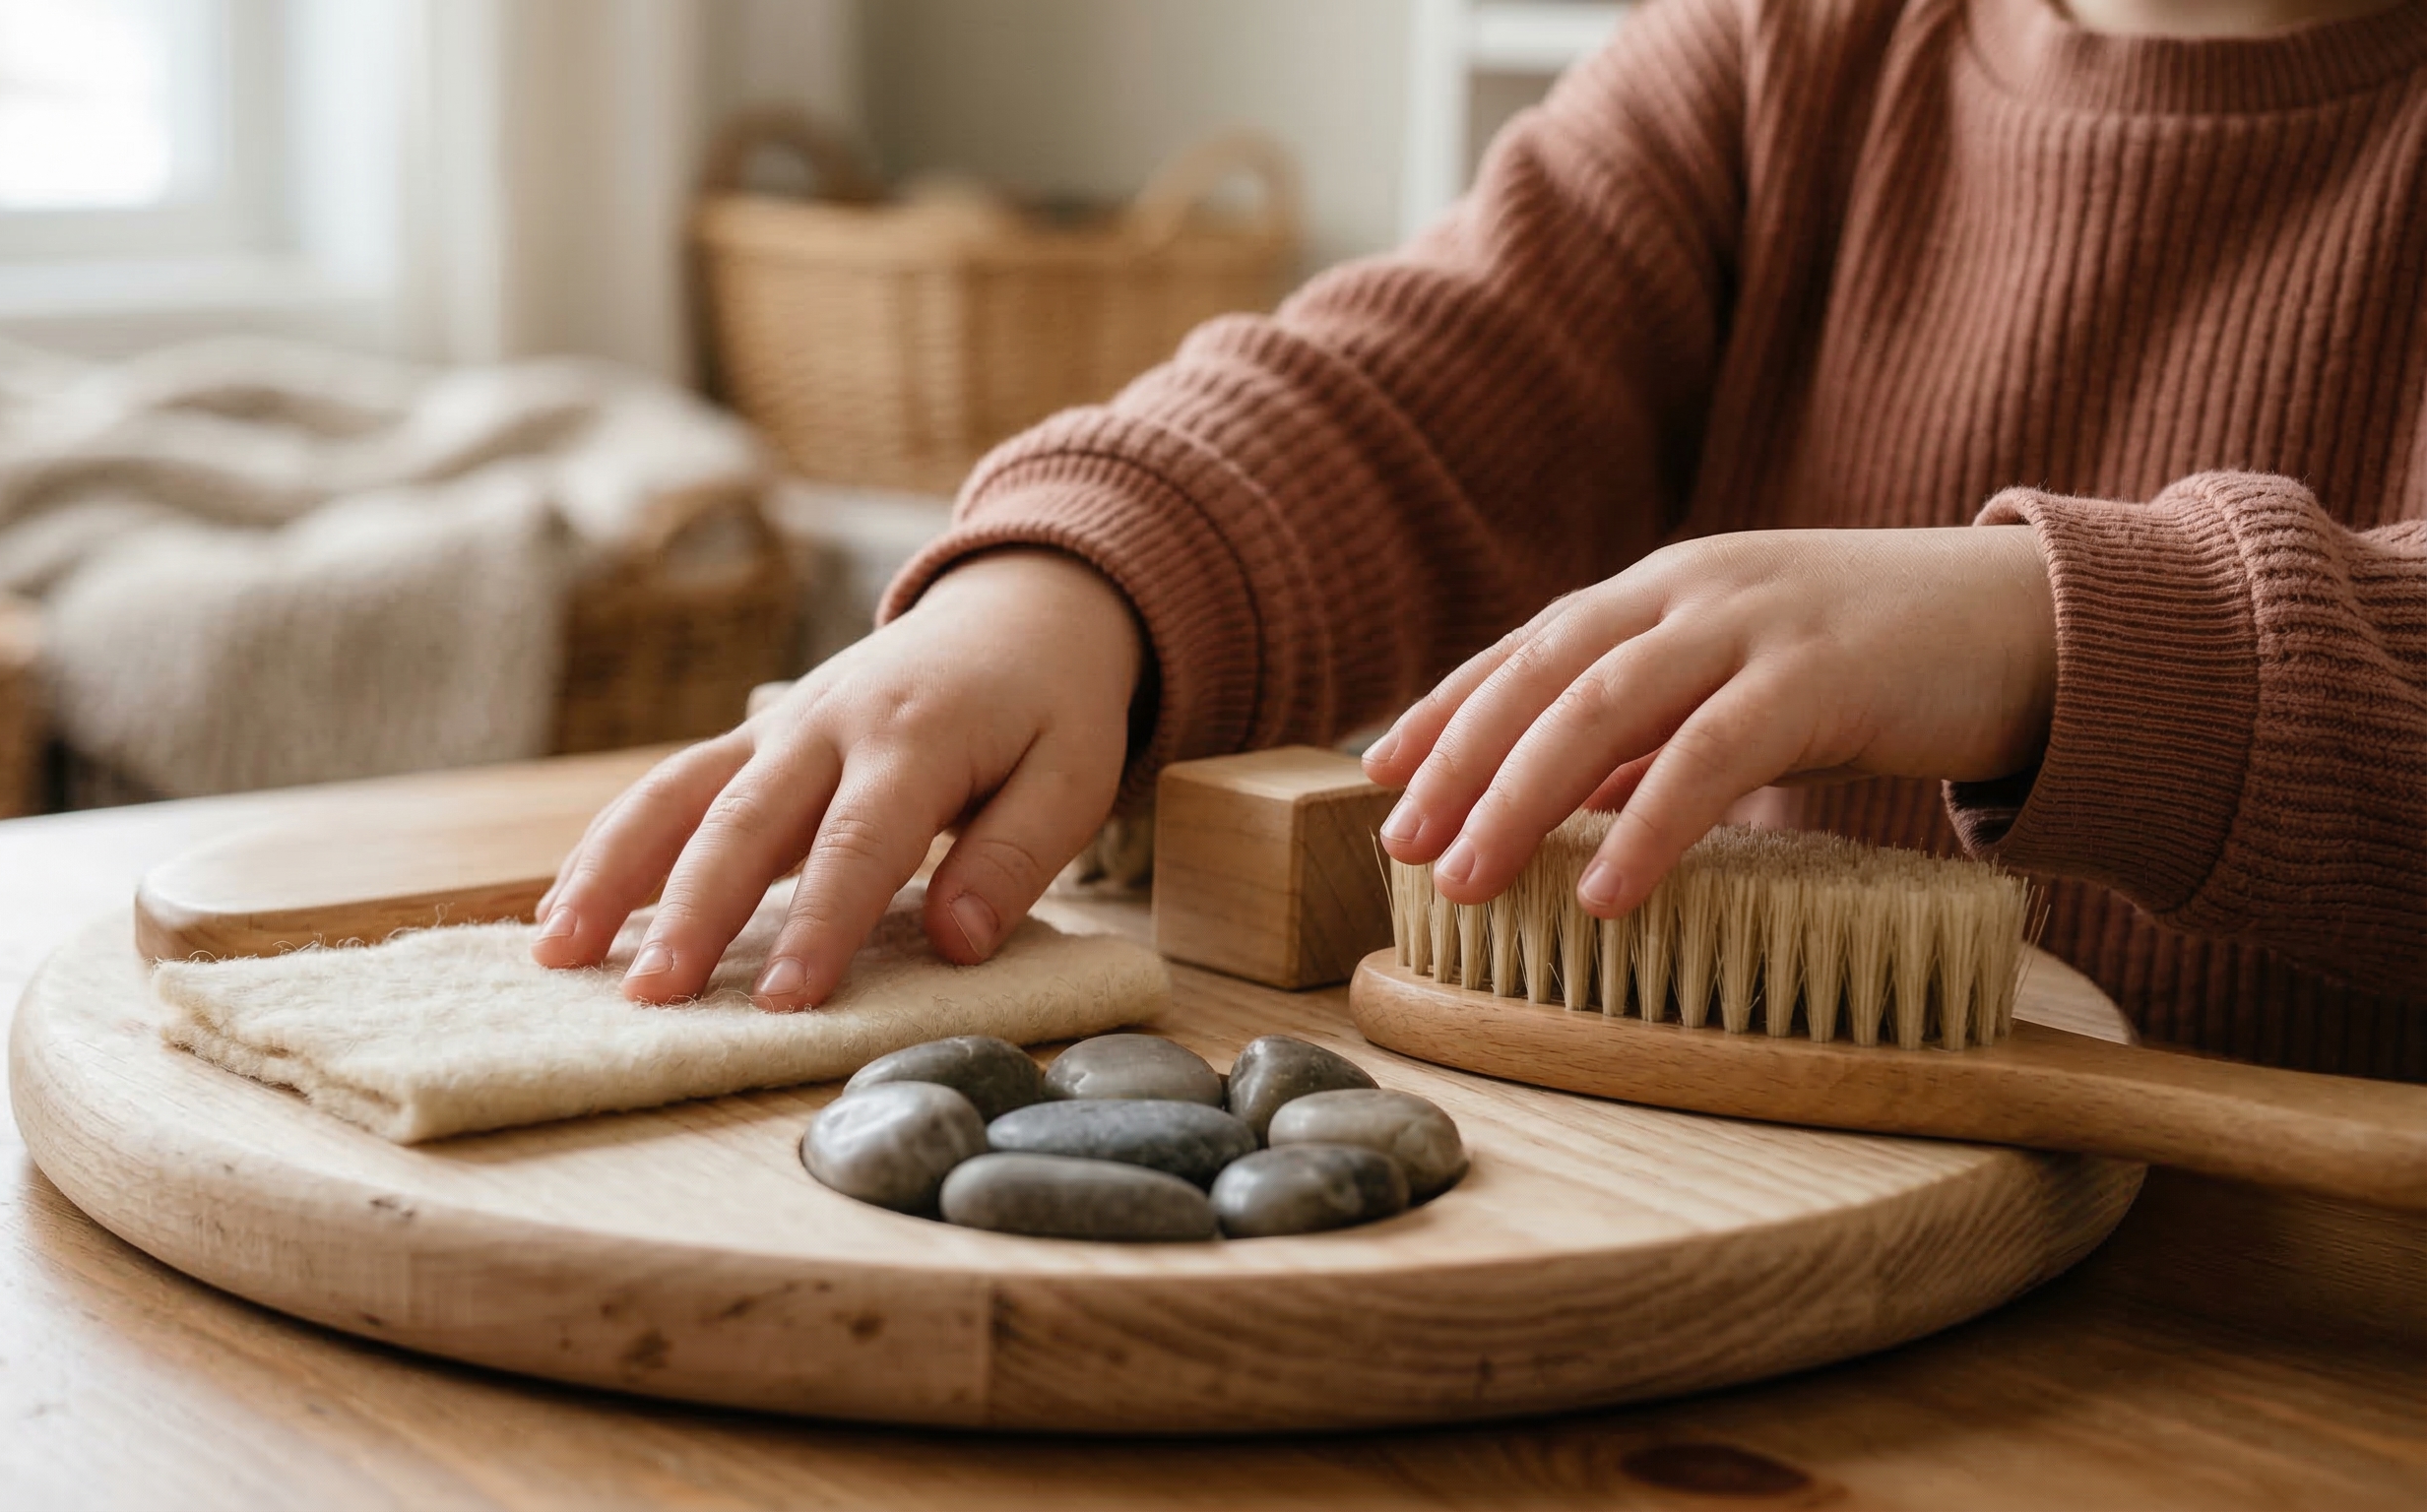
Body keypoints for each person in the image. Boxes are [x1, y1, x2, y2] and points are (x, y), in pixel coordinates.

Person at [535, 0, 2427, 1080]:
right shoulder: (1791, 51)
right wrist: (1072, 582)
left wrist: (2052, 635)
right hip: (1799, 1260)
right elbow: (1404, 389)